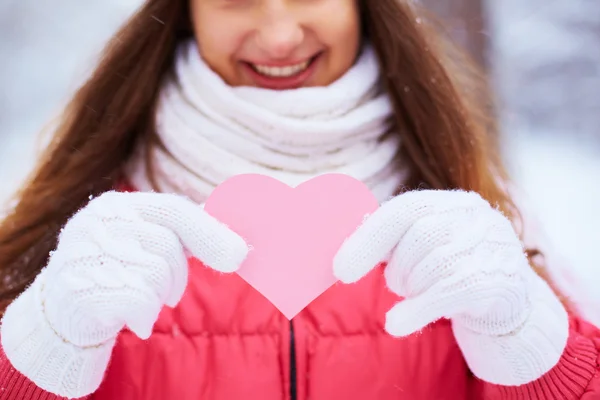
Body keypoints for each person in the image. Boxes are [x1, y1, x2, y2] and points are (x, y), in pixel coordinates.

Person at [0, 0, 598, 398]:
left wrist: (535, 351)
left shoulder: (468, 212)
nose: (281, 35)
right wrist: (36, 355)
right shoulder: (93, 224)